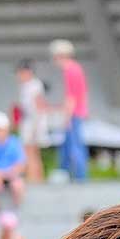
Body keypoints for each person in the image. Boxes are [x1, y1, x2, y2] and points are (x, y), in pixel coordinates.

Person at [51, 38, 90, 181]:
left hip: (73, 114)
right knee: (67, 147)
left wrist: (66, 118)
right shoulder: (77, 68)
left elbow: (71, 97)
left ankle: (81, 178)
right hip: (79, 112)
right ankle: (65, 174)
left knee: (75, 147)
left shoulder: (70, 70)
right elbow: (83, 93)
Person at [13, 59, 47, 184]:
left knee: (30, 152)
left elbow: (39, 106)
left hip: (33, 122)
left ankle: (34, 179)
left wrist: (36, 126)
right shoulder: (25, 86)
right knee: (32, 153)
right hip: (29, 121)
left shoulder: (34, 85)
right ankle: (36, 179)